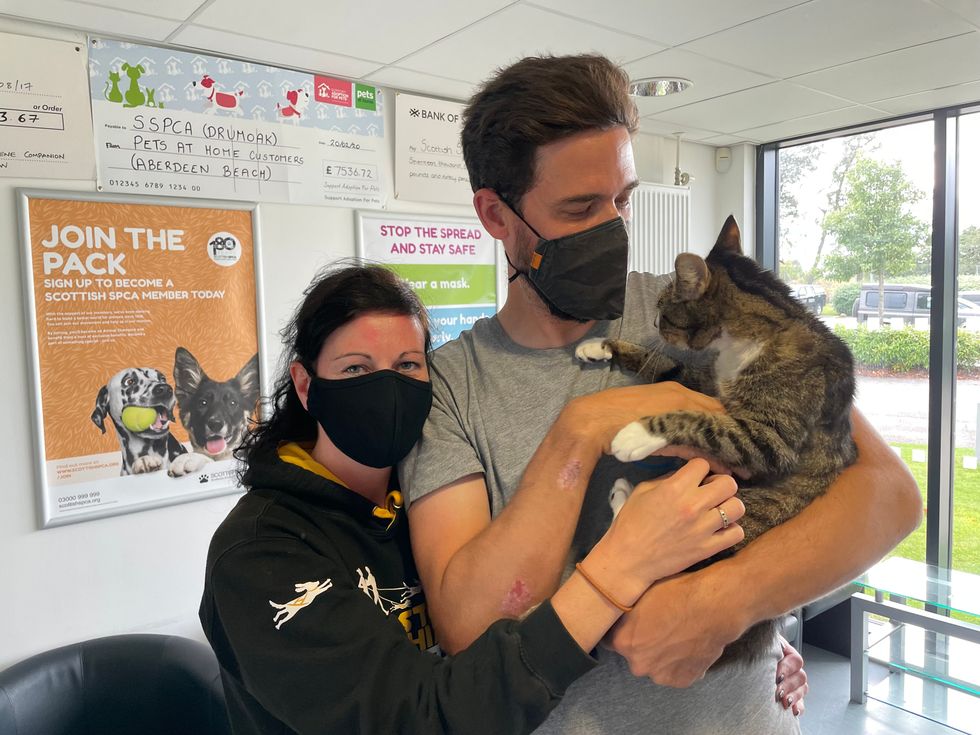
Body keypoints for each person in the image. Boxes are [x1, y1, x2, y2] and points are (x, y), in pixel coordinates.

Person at [400, 54, 923, 734]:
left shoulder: (694, 309)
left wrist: (725, 601)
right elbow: (471, 626)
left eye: (622, 199)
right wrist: (581, 428)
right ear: (496, 215)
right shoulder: (451, 386)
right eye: (580, 208)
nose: (613, 229)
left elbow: (887, 493)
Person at [199, 264, 749, 735]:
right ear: (305, 384)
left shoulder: (422, 505)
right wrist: (619, 567)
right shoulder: (260, 554)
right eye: (356, 368)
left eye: (408, 365)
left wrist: (746, 630)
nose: (386, 387)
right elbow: (424, 718)